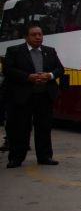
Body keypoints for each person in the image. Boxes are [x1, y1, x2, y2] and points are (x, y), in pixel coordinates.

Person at [5, 22, 65, 168]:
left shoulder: (50, 51)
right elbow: (8, 70)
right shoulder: (14, 51)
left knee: (44, 127)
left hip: (44, 95)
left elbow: (60, 69)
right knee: (21, 128)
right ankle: (16, 158)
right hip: (23, 96)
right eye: (34, 35)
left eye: (40, 34)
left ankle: (45, 157)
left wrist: (49, 75)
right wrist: (28, 77)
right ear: (26, 37)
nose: (38, 37)